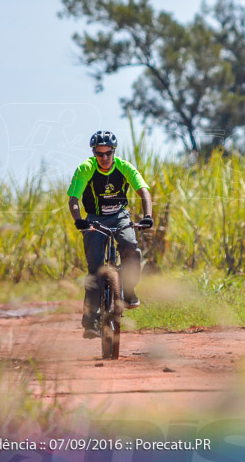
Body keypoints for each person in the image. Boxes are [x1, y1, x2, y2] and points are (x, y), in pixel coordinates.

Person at [67, 130, 153, 338]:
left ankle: (129, 290)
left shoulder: (124, 167)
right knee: (95, 270)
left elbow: (143, 191)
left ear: (114, 152)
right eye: (100, 153)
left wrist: (148, 216)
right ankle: (91, 323)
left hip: (120, 216)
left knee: (131, 247)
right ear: (94, 153)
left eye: (108, 153)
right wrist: (79, 220)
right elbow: (73, 199)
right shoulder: (85, 169)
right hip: (94, 218)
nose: (104, 158)